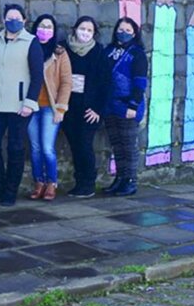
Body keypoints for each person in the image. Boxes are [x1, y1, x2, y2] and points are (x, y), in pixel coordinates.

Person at [0, 4, 43, 207]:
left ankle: (10, 191)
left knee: (15, 148)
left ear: (23, 20)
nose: (12, 21)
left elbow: (37, 75)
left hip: (19, 106)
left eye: (17, 17)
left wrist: (30, 103)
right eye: (9, 17)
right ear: (4, 20)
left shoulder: (31, 42)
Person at [61, 16, 111, 198]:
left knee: (84, 145)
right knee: (74, 146)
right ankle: (78, 182)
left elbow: (106, 83)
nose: (85, 33)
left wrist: (98, 109)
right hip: (68, 106)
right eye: (82, 28)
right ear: (75, 29)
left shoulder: (99, 52)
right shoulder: (64, 48)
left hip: (89, 108)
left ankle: (88, 183)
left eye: (89, 30)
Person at [26, 14, 72, 201]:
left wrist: (60, 108)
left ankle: (52, 182)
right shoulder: (28, 48)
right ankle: (39, 182)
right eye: (42, 26)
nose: (45, 30)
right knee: (35, 148)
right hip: (30, 107)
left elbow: (66, 82)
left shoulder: (60, 53)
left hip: (50, 108)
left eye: (49, 27)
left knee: (47, 148)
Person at [102, 17, 148, 197]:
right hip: (110, 105)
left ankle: (130, 180)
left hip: (127, 105)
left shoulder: (137, 54)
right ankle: (120, 178)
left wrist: (133, 105)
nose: (124, 33)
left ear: (135, 33)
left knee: (128, 145)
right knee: (117, 145)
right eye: (121, 29)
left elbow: (139, 83)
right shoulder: (109, 51)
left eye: (128, 30)